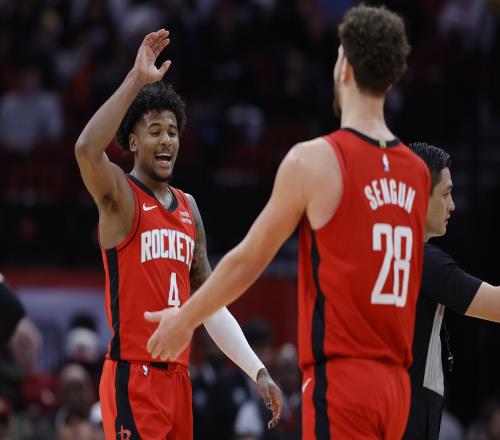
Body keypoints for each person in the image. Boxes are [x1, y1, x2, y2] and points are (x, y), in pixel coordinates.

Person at [144, 5, 430, 439]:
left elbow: (247, 261)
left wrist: (185, 320)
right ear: (392, 77)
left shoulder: (315, 160)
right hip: (398, 387)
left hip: (344, 382)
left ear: (344, 68)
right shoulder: (418, 173)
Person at [74, 29, 282, 439]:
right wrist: (136, 79)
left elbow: (209, 304)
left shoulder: (189, 208)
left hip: (179, 380)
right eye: (154, 131)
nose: (166, 139)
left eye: (172, 131)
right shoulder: (121, 197)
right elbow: (85, 149)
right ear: (133, 142)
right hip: (135, 375)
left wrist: (256, 369)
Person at [402, 142, 500, 440]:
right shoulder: (422, 259)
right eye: (446, 193)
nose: (453, 205)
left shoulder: (391, 251)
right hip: (406, 416)